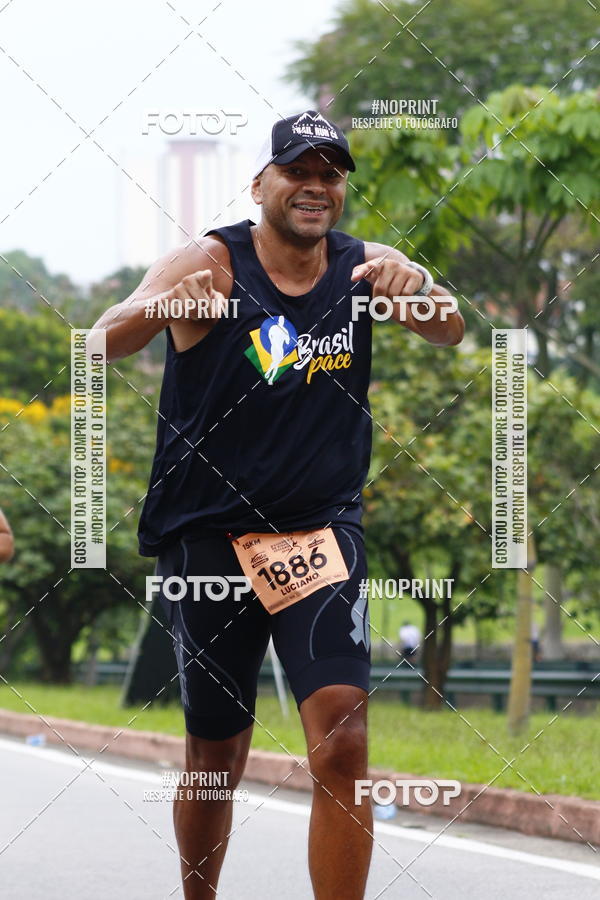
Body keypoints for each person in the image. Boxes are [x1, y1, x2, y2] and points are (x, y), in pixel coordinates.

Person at [92, 109, 464, 899]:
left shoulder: (366, 267)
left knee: (342, 738)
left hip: (320, 530)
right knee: (215, 755)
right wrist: (163, 309)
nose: (316, 186)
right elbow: (103, 337)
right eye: (299, 170)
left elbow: (453, 327)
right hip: (211, 539)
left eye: (331, 174)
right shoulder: (211, 262)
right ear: (260, 182)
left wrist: (421, 292)